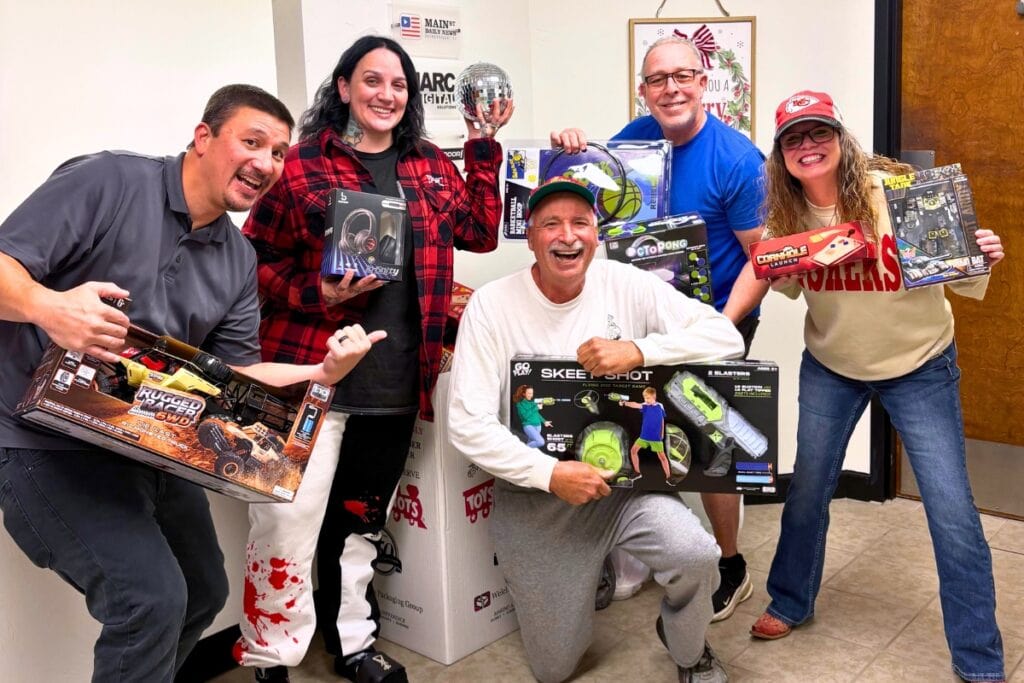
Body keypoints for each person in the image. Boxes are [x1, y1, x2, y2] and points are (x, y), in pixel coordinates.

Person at [0, 84, 382, 683]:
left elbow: (236, 374)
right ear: (203, 138)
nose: (267, 163)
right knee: (149, 601)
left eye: (279, 153)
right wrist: (49, 307)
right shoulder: (109, 182)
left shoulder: (237, 258)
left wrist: (318, 372)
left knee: (203, 590)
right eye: (252, 142)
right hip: (39, 439)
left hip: (143, 441)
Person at [233, 36, 513, 683]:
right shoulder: (301, 165)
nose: (386, 94)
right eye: (372, 80)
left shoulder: (428, 166)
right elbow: (249, 262)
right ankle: (272, 654)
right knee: (285, 524)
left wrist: (481, 145)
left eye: (398, 84)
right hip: (309, 378)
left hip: (392, 385)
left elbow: (478, 230)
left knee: (360, 522)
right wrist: (316, 293)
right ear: (343, 89)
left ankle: (353, 641)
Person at [746, 90, 1006, 683]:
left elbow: (963, 275)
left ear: (841, 138)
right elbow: (777, 281)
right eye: (794, 139)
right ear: (781, 155)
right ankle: (789, 600)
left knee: (951, 511)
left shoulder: (900, 194)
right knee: (808, 490)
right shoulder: (784, 220)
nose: (808, 147)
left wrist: (979, 253)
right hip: (833, 366)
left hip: (920, 365)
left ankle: (979, 659)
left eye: (819, 134)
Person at [447, 176, 745, 683]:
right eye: (552, 224)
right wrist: (549, 474)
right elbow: (467, 424)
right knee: (553, 670)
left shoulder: (623, 282)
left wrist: (640, 351)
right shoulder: (493, 305)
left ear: (597, 232)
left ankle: (689, 648)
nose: (568, 236)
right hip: (537, 501)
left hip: (626, 494)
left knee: (696, 554)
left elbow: (726, 336)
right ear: (532, 237)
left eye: (581, 223)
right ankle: (594, 570)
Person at [550, 35, 767, 622]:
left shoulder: (738, 159)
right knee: (635, 424)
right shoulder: (631, 143)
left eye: (683, 76)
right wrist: (568, 151)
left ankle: (730, 563)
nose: (670, 88)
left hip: (716, 317)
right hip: (641, 318)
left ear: (703, 83)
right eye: (657, 79)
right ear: (643, 90)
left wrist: (718, 328)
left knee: (710, 446)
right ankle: (640, 551)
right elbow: (584, 208)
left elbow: (761, 257)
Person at [620, 387, 671, 483]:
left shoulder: (660, 406)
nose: (646, 400)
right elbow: (635, 404)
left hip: (656, 438)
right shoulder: (645, 405)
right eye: (644, 398)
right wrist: (625, 403)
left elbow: (662, 420)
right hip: (644, 436)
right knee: (633, 451)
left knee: (662, 457)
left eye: (648, 398)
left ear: (654, 396)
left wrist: (662, 433)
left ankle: (669, 477)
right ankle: (637, 472)